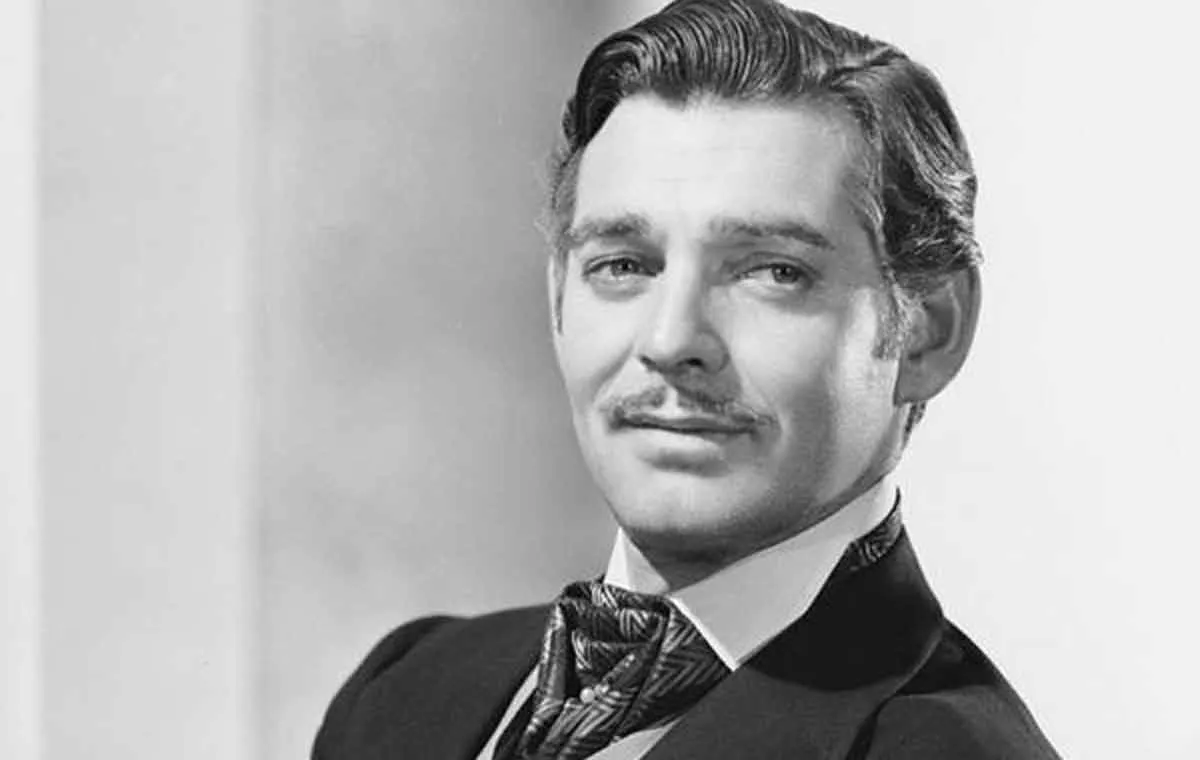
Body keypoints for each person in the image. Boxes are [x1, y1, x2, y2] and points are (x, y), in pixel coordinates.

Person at [313, 1, 1060, 757]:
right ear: (558, 296)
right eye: (624, 265)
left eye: (774, 272)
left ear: (929, 330)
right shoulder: (400, 692)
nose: (671, 341)